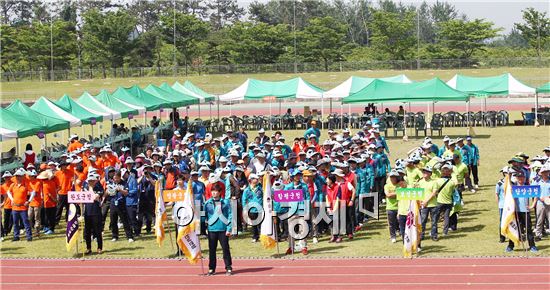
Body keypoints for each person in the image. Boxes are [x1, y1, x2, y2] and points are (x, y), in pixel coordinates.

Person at [204, 183, 233, 276]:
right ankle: (211, 268)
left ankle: (228, 267)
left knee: (225, 249)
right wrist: (201, 228)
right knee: (212, 250)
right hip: (212, 229)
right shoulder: (207, 203)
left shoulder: (225, 202)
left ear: (220, 192)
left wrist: (229, 228)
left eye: (216, 191)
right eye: (212, 191)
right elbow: (203, 216)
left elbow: (230, 215)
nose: (214, 193)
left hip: (223, 229)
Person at [506, 171, 537, 253]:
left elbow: (536, 194)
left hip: (525, 211)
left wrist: (532, 205)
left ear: (524, 178)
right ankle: (510, 246)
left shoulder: (527, 188)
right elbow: (508, 185)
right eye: (519, 178)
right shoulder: (514, 187)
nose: (520, 179)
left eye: (522, 178)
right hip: (516, 211)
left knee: (528, 229)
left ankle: (532, 246)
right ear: (516, 178)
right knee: (514, 228)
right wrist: (508, 176)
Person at [7, 168, 33, 241]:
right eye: (16, 176)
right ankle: (16, 236)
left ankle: (29, 236)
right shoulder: (13, 185)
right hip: (15, 207)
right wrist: (12, 199)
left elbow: (33, 192)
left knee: (26, 222)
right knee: (15, 223)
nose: (17, 177)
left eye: (19, 176)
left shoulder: (25, 184)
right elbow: (8, 192)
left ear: (22, 176)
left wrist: (28, 201)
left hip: (23, 208)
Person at [108, 171, 134, 242]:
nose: (115, 179)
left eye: (117, 178)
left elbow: (126, 193)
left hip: (121, 204)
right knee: (113, 221)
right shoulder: (111, 183)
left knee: (125, 221)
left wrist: (120, 190)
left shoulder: (124, 183)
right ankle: (114, 236)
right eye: (114, 178)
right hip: (113, 203)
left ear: (120, 177)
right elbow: (108, 192)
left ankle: (129, 236)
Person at [433, 163, 456, 240]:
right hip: (449, 202)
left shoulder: (437, 181)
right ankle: (445, 232)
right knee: (446, 217)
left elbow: (435, 192)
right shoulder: (452, 182)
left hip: (439, 202)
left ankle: (434, 231)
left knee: (435, 217)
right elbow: (453, 191)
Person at [82, 173, 104, 254]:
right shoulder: (84, 187)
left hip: (96, 211)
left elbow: (95, 197)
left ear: (95, 181)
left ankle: (99, 247)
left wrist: (91, 188)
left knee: (97, 230)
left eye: (92, 181)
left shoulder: (99, 187)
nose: (90, 182)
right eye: (89, 181)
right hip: (87, 211)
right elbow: (82, 197)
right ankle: (88, 248)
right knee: (87, 231)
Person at [241, 174, 262, 243]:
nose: (257, 180)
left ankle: (262, 236)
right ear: (251, 180)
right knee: (254, 224)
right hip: (252, 209)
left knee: (261, 223)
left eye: (257, 179)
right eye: (255, 179)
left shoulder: (260, 188)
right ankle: (255, 236)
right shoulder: (247, 190)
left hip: (260, 208)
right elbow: (244, 200)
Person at [532, 164, 550, 241]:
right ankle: (538, 235)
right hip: (540, 202)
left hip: (549, 202)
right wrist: (540, 198)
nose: (545, 173)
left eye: (546, 171)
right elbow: (534, 192)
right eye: (543, 172)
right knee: (539, 219)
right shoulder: (537, 181)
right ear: (541, 173)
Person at [384, 170, 402, 243]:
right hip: (390, 207)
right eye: (391, 177)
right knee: (391, 223)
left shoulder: (400, 185)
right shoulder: (387, 185)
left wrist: (393, 194)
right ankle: (393, 236)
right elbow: (388, 195)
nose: (392, 178)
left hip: (400, 206)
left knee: (400, 222)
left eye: (394, 177)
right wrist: (398, 193)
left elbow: (403, 194)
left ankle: (401, 233)